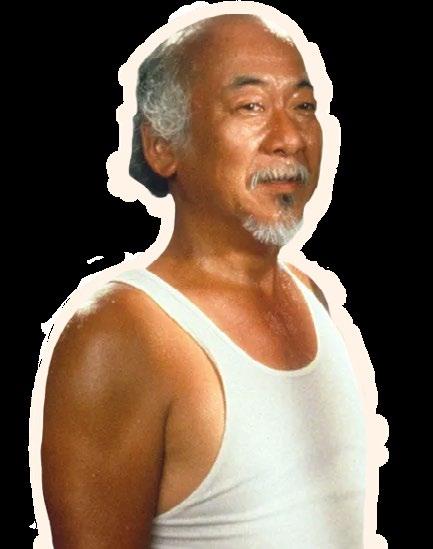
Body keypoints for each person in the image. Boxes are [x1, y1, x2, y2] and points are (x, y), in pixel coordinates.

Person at [41, 13, 366, 548]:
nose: (289, 138)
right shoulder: (120, 332)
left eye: (303, 106)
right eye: (250, 107)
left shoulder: (311, 298)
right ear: (162, 147)